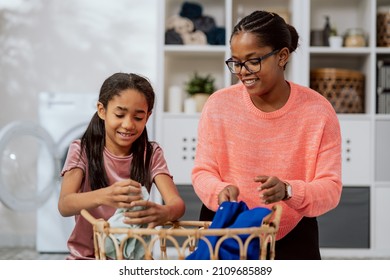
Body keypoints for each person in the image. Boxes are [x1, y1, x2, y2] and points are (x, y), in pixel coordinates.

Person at [191, 10, 342, 260]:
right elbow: (202, 171)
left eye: (253, 60)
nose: (242, 71)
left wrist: (289, 190)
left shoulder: (318, 111)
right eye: (236, 62)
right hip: (225, 227)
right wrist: (219, 189)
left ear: (282, 56)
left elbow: (330, 188)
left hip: (292, 231)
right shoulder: (219, 105)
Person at [58, 72, 185, 260]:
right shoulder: (82, 149)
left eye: (138, 118)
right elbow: (65, 204)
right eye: (119, 114)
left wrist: (166, 212)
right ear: (102, 110)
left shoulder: (150, 154)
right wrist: (106, 195)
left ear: (148, 117)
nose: (128, 124)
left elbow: (177, 204)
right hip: (86, 258)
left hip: (131, 259)